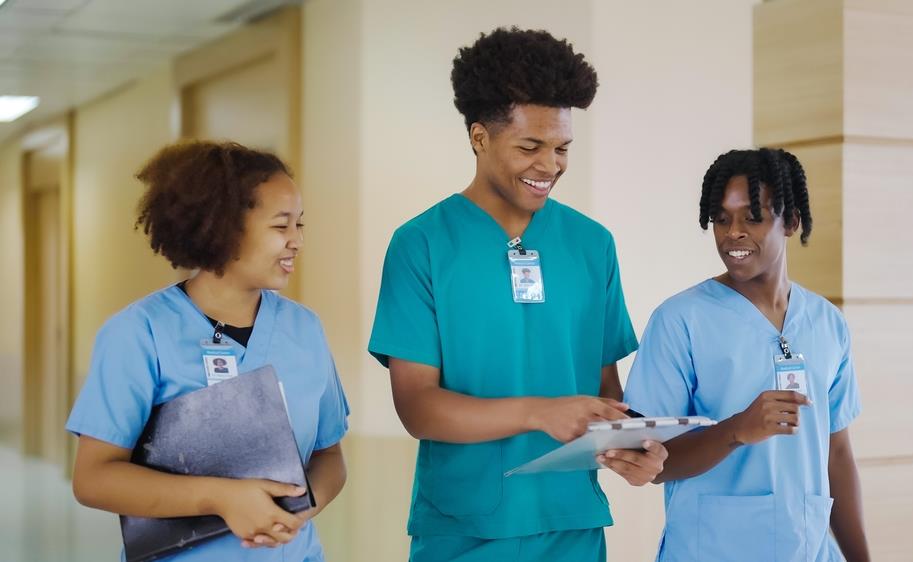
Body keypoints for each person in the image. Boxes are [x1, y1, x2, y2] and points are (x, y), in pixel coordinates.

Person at [368, 27, 667, 562]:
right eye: (530, 146)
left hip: (573, 522)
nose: (550, 165)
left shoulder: (592, 245)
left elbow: (602, 394)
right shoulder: (421, 245)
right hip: (464, 529)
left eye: (562, 148)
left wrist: (634, 446)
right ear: (479, 138)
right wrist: (539, 413)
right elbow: (417, 406)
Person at [66, 141, 350, 561]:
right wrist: (220, 499)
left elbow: (329, 454)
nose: (297, 241)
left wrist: (300, 508)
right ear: (224, 227)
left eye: (300, 225)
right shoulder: (140, 333)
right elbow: (93, 479)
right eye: (280, 226)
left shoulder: (304, 329)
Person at [624, 148, 870, 562]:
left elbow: (838, 455)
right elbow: (655, 463)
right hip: (712, 550)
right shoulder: (680, 320)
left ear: (790, 221)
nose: (733, 232)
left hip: (809, 551)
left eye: (752, 216)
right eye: (722, 219)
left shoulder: (827, 322)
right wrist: (737, 429)